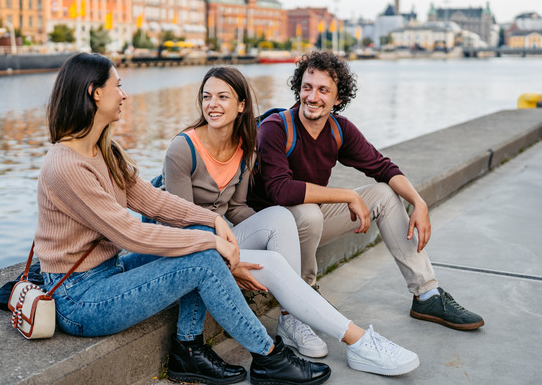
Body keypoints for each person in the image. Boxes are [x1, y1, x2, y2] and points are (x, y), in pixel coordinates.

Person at [35, 53, 331, 385]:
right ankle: (267, 356)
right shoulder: (66, 166)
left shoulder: (105, 149)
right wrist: (212, 240)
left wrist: (211, 221)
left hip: (108, 272)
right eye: (117, 86)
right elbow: (130, 234)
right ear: (94, 93)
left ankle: (188, 350)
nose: (124, 94)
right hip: (79, 299)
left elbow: (152, 200)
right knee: (203, 258)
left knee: (198, 239)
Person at [160, 66, 420, 376]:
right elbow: (180, 223)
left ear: (241, 105)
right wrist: (232, 258)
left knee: (282, 216)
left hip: (224, 238)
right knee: (272, 262)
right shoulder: (182, 149)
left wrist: (273, 236)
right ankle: (359, 342)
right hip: (192, 245)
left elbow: (238, 208)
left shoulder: (243, 148)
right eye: (206, 97)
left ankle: (293, 317)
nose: (212, 104)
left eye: (222, 97)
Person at [248, 50, 484, 331]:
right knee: (309, 212)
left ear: (338, 99)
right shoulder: (276, 128)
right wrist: (348, 195)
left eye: (323, 90)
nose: (312, 97)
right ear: (298, 89)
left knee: (384, 194)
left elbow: (382, 167)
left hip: (308, 224)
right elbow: (280, 191)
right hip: (271, 230)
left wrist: (419, 203)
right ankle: (303, 298)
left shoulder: (339, 129)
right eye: (307, 88)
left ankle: (427, 293)